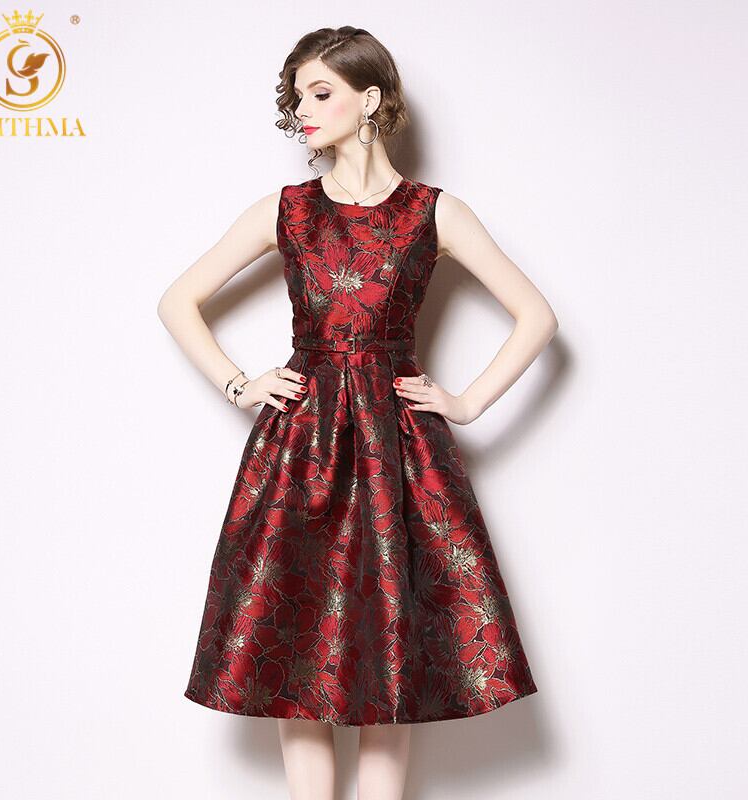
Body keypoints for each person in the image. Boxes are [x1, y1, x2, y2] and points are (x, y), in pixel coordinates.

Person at [158, 25, 558, 800]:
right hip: (301, 448)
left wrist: (466, 402)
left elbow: (536, 317)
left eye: (320, 93)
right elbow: (178, 300)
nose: (302, 111)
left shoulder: (434, 212)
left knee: (389, 654)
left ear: (369, 99)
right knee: (296, 649)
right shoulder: (286, 210)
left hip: (398, 452)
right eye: (296, 98)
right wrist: (239, 384)